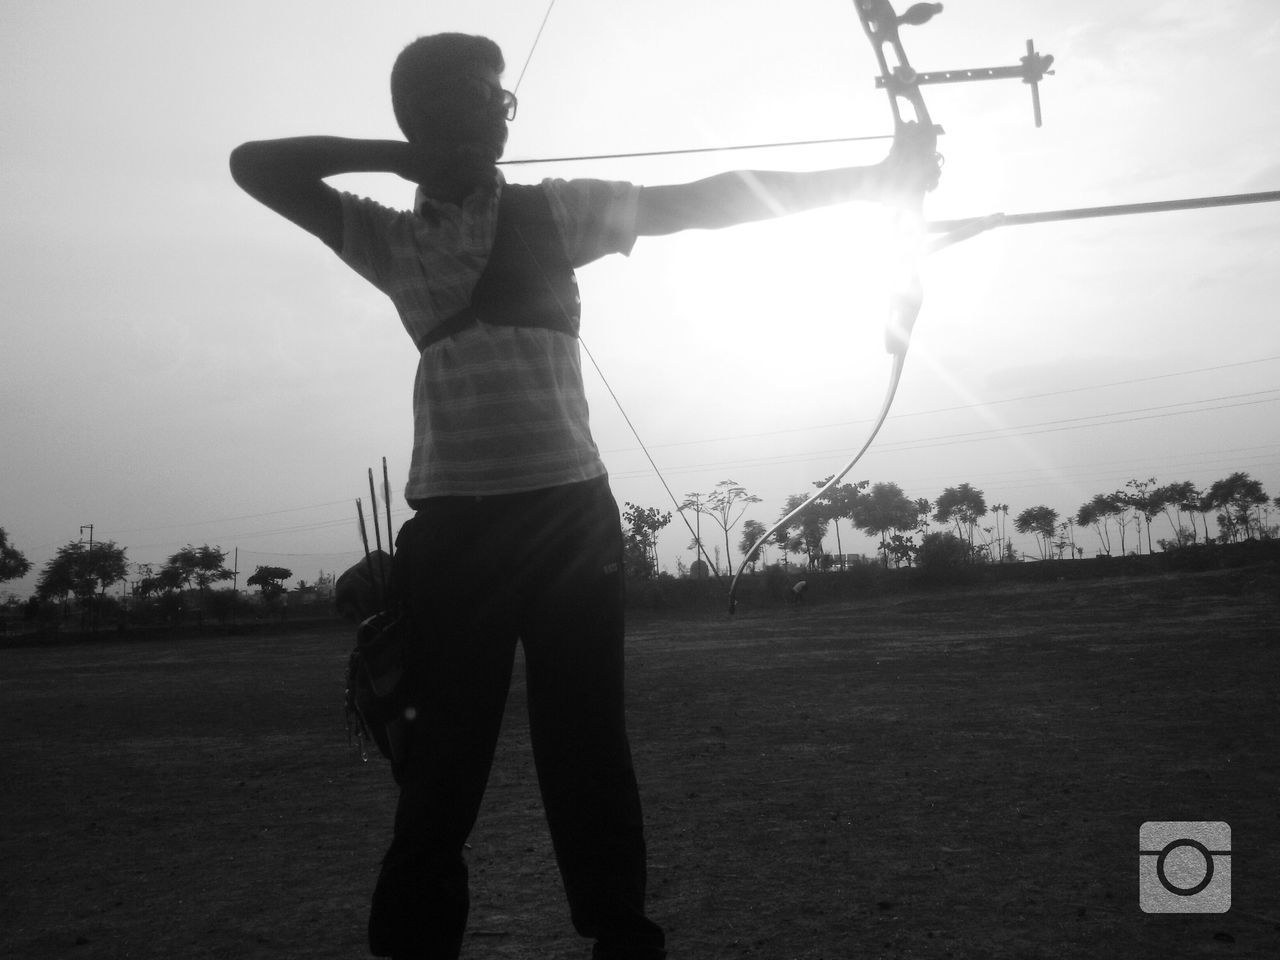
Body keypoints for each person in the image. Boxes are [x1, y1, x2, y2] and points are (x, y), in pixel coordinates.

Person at [229, 32, 939, 960]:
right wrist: (400, 157)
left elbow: (706, 201)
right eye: (484, 99)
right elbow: (254, 166)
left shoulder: (553, 214)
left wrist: (878, 178)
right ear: (431, 116)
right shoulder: (389, 237)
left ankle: (620, 935)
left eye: (502, 100)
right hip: (458, 528)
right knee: (443, 764)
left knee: (588, 749)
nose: (502, 113)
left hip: (568, 518)